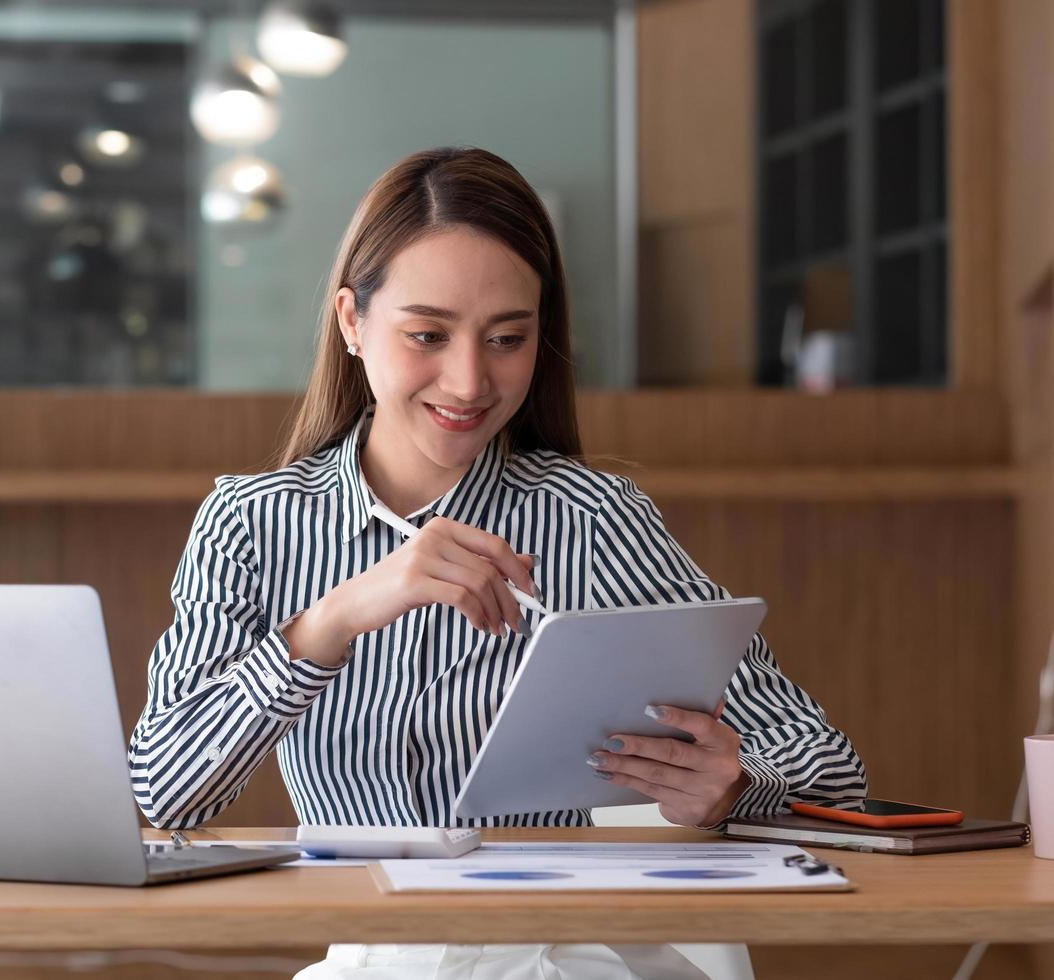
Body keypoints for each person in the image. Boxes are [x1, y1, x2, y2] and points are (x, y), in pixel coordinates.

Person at [128, 146, 866, 979]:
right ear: (351, 322)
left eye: (507, 338)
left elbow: (830, 768)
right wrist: (332, 620)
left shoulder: (589, 520)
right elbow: (163, 795)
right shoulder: (252, 525)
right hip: (377, 961)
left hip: (559, 956)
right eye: (427, 335)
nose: (470, 380)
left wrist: (735, 787)